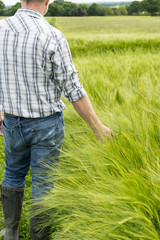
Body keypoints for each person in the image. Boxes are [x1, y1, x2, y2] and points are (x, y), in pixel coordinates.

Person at [0, 0, 113, 239]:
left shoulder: (1, 29)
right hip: (46, 125)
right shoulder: (51, 35)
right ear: (47, 1)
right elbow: (73, 89)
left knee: (12, 173)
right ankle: (38, 237)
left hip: (10, 122)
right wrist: (97, 127)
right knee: (44, 183)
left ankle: (10, 232)